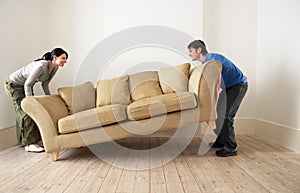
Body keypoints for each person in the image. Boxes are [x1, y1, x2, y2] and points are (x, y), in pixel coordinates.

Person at [188, 40, 248, 157]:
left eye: (191, 51)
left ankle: (231, 147)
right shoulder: (204, 65)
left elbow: (216, 82)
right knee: (218, 115)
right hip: (227, 88)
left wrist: (213, 103)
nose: (189, 54)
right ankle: (221, 140)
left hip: (238, 86)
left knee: (226, 115)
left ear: (199, 50)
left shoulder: (214, 59)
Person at [4, 48, 68, 152]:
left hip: (24, 86)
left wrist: (49, 97)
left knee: (26, 113)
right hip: (14, 85)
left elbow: (45, 84)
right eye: (63, 58)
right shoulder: (41, 66)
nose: (65, 61)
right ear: (55, 57)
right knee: (27, 112)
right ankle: (29, 144)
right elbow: (28, 84)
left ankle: (25, 141)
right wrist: (30, 101)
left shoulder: (54, 68)